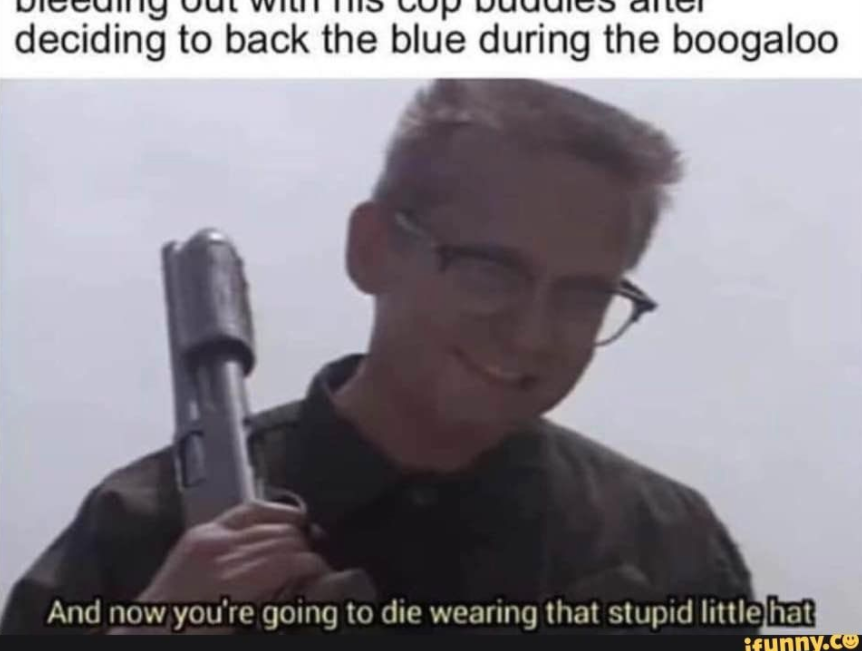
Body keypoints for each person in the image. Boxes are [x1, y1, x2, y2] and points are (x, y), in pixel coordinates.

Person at [0, 79, 755, 635]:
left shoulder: (666, 541)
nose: (531, 334)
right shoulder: (143, 523)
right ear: (373, 249)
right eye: (490, 271)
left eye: (582, 295)